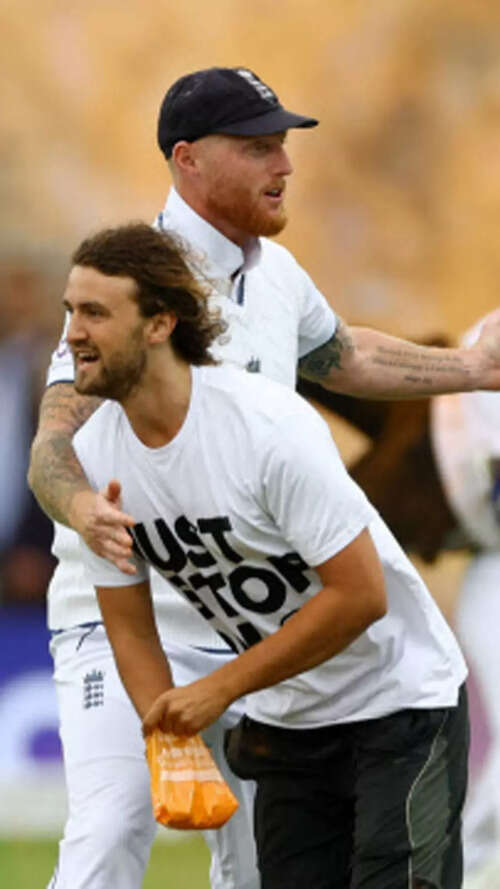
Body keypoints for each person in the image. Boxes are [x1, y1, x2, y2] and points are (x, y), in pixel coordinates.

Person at [28, 66, 500, 889]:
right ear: (188, 160)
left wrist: (474, 368)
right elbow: (52, 442)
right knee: (113, 828)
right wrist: (80, 507)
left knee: (253, 867)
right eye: (256, 147)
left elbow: (341, 355)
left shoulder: (275, 274)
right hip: (128, 616)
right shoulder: (129, 288)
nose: (283, 165)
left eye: (282, 143)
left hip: (253, 625)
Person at [64, 220, 469, 889]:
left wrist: (219, 687)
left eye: (94, 313)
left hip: (400, 700)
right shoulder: (97, 454)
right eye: (71, 311)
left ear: (160, 323)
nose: (72, 333)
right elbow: (130, 625)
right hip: (286, 722)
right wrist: (169, 732)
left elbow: (360, 595)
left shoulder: (265, 428)